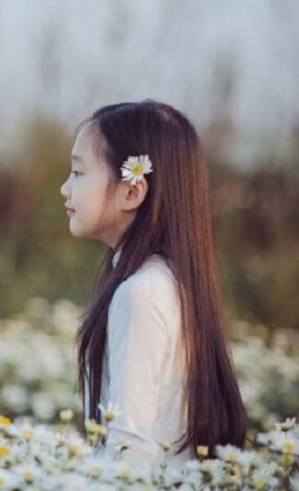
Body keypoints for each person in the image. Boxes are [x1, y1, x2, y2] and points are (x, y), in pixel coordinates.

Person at [59, 100, 247, 467]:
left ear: (132, 192)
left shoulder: (141, 293)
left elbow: (130, 449)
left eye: (78, 172)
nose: (65, 188)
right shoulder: (173, 281)